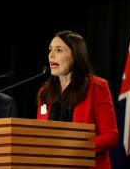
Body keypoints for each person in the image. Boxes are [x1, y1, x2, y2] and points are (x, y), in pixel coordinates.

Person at [37, 30, 119, 169]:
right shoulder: (44, 92)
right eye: (50, 50)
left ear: (75, 54)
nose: (51, 55)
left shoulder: (97, 87)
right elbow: (41, 134)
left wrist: (79, 148)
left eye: (59, 50)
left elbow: (111, 137)